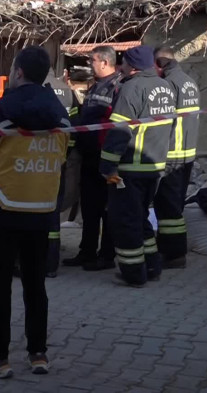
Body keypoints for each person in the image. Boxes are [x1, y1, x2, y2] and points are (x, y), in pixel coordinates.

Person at [0, 46, 71, 378]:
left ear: (19, 72)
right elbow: (63, 158)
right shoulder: (62, 114)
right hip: (42, 210)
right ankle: (38, 354)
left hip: (2, 208)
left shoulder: (2, 109)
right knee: (35, 285)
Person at [100, 45, 175, 287]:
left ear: (132, 66)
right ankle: (152, 265)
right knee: (140, 217)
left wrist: (107, 165)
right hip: (154, 168)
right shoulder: (165, 87)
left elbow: (120, 131)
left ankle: (133, 273)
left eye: (123, 63)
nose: (120, 67)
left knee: (125, 221)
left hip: (130, 169)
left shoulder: (131, 88)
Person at [63, 46, 123, 271]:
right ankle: (86, 252)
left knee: (107, 209)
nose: (90, 64)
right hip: (88, 156)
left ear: (105, 63)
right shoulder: (97, 84)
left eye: (92, 61)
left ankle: (106, 255)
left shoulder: (118, 87)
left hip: (105, 158)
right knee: (89, 208)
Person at [153, 46, 201, 269]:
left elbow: (163, 122)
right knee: (175, 206)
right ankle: (172, 250)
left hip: (172, 153)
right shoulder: (188, 81)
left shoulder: (168, 84)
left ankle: (172, 254)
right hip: (187, 153)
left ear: (159, 63)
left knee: (168, 208)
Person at [42, 66, 82, 278]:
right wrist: (67, 150)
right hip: (61, 158)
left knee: (36, 213)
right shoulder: (67, 91)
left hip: (36, 160)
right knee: (54, 212)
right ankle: (51, 264)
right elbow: (74, 125)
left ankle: (37, 263)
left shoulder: (36, 89)